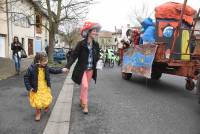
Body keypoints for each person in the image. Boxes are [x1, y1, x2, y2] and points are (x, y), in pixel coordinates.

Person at [65, 21, 101, 114]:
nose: (96, 33)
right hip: (82, 69)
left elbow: (97, 56)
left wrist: (99, 59)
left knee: (85, 87)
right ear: (88, 31)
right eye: (94, 31)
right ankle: (85, 105)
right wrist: (67, 66)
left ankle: (82, 100)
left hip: (90, 69)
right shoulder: (81, 44)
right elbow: (74, 56)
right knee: (84, 86)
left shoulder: (96, 44)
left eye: (97, 31)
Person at [24, 52, 68, 121]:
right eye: (44, 61)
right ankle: (38, 112)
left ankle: (46, 106)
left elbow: (54, 70)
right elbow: (26, 78)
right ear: (38, 61)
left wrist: (61, 70)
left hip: (44, 86)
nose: (46, 62)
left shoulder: (46, 67)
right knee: (38, 101)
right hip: (36, 87)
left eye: (46, 60)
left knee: (46, 98)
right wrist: (29, 88)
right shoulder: (31, 68)